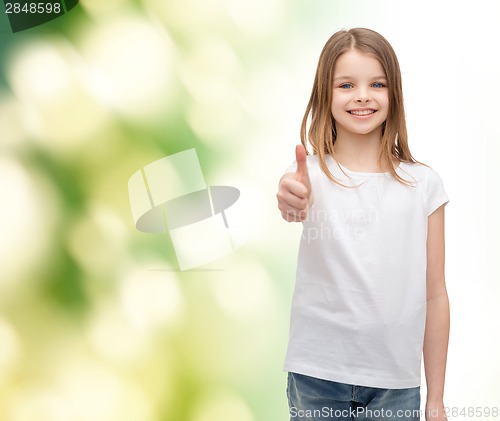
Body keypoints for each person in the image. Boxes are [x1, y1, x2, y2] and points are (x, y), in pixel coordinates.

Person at [276, 28, 450, 421]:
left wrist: (435, 399)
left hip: (395, 383)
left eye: (377, 83)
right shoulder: (308, 176)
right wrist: (291, 200)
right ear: (326, 93)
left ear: (394, 94)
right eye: (346, 85)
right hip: (316, 375)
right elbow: (292, 205)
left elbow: (435, 294)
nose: (362, 95)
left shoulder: (424, 185)